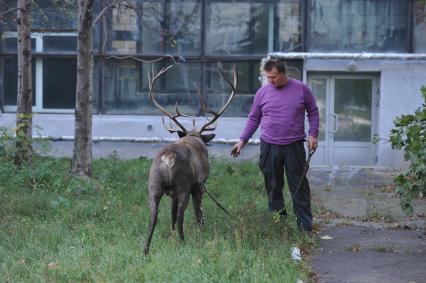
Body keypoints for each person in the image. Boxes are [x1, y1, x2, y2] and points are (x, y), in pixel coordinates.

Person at [231, 59, 319, 233]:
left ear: (283, 73)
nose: (270, 81)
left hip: (294, 145)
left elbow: (313, 112)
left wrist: (313, 134)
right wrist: (242, 140)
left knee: (299, 185)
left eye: (273, 77)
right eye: (267, 77)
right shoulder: (262, 92)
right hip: (269, 145)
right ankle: (278, 225)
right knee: (273, 185)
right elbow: (254, 118)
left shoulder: (301, 89)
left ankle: (305, 227)